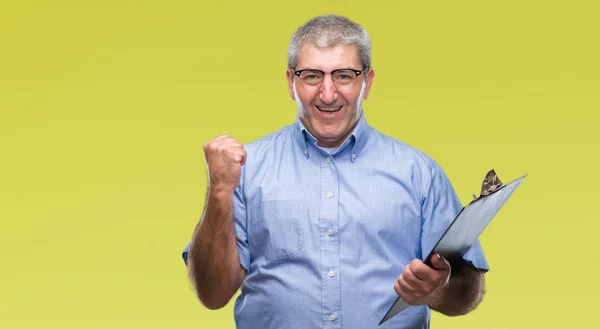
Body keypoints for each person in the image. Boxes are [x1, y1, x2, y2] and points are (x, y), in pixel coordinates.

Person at [181, 14, 489, 329]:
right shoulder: (245, 169)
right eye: (312, 76)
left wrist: (437, 291)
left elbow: (468, 292)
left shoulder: (419, 173)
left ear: (367, 82)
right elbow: (213, 294)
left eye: (344, 76)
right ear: (291, 82)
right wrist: (219, 190)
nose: (328, 95)